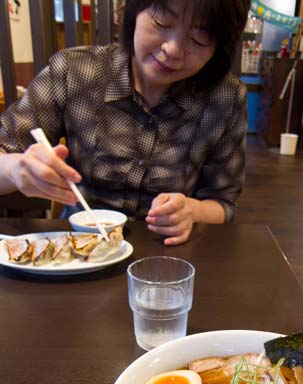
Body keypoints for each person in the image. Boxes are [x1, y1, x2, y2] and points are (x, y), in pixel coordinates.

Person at [0, 0, 250, 245]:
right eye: (163, 21)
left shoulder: (224, 97)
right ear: (135, 9)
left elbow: (223, 203)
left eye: (199, 38)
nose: (173, 50)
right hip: (80, 249)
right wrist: (15, 169)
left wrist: (192, 211)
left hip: (168, 255)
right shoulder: (74, 71)